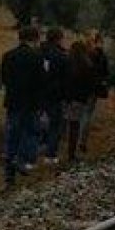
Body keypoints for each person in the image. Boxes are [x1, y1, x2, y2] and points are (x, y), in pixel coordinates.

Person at [0, 26, 43, 187]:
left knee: (12, 133)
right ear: (35, 39)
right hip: (31, 102)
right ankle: (24, 160)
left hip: (13, 100)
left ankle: (9, 168)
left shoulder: (8, 56)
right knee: (31, 131)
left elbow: (4, 78)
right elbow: (41, 80)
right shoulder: (37, 57)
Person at [61, 41, 98, 164]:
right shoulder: (87, 64)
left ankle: (58, 147)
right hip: (79, 99)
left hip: (66, 98)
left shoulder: (66, 63)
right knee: (75, 125)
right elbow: (91, 83)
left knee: (64, 122)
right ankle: (71, 153)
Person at [39, 27, 70, 165]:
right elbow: (66, 78)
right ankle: (50, 154)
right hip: (55, 95)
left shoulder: (38, 53)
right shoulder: (61, 56)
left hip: (38, 94)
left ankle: (37, 147)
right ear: (59, 39)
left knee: (39, 121)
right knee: (55, 125)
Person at [78, 30, 110, 155]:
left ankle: (74, 138)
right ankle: (82, 140)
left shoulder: (82, 53)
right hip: (93, 87)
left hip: (80, 87)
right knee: (87, 114)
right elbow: (105, 72)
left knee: (78, 113)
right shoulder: (100, 55)